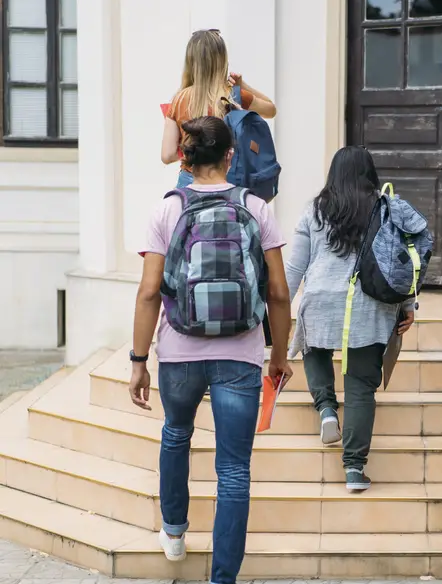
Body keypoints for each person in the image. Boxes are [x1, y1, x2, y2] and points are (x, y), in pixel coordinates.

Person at [129, 116, 292, 583]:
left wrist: (139, 362)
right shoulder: (257, 208)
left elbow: (148, 291)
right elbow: (279, 292)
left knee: (176, 434)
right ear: (231, 155)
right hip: (239, 354)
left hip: (179, 350)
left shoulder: (167, 210)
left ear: (185, 158)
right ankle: (223, 579)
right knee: (234, 469)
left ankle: (175, 531)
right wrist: (277, 355)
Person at [285, 146, 415, 493]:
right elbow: (402, 262)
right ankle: (354, 469)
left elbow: (295, 266)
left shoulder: (314, 209)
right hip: (370, 305)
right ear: (370, 173)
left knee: (314, 348)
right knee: (360, 386)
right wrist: (409, 305)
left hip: (321, 298)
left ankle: (327, 410)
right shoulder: (387, 207)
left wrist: (278, 309)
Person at [161, 29, 276, 189]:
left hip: (190, 183)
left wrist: (192, 148)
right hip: (229, 182)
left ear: (190, 62)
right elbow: (270, 109)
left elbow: (167, 155)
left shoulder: (179, 100)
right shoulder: (232, 96)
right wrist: (242, 86)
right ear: (222, 60)